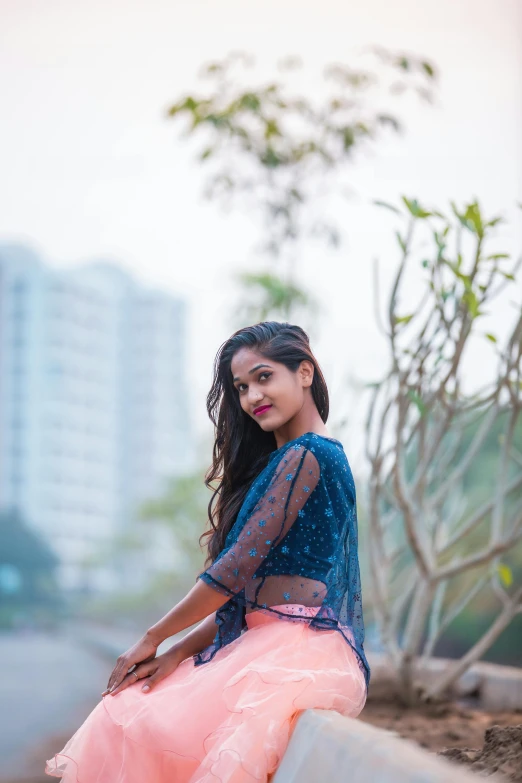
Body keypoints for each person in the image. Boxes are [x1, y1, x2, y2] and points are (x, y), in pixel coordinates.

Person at [45, 321, 371, 783]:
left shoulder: (309, 455)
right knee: (133, 712)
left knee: (135, 720)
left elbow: (234, 568)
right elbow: (246, 596)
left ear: (304, 373)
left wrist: (153, 637)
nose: (251, 396)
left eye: (263, 377)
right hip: (259, 641)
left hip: (290, 650)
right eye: (241, 387)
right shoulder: (289, 460)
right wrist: (178, 651)